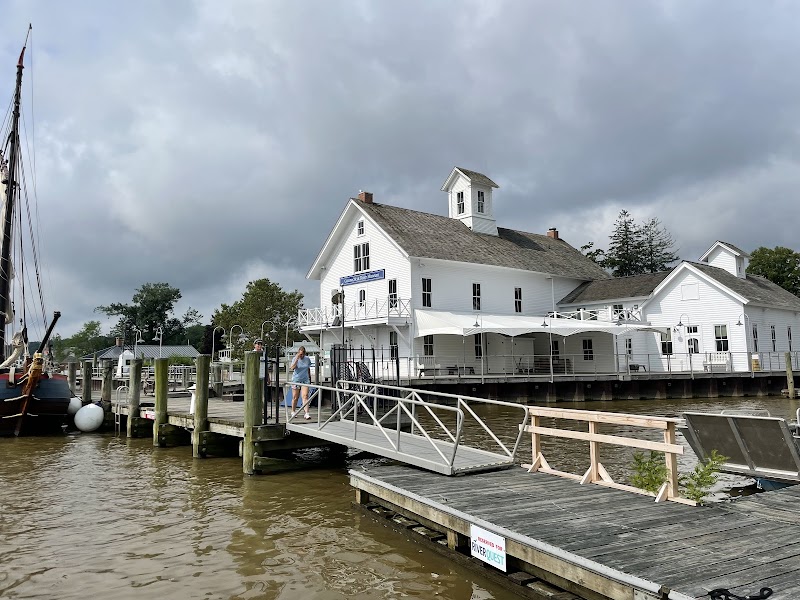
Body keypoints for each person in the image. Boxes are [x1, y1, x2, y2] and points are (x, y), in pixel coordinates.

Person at [290, 345, 312, 419]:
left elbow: (308, 368)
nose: (301, 356)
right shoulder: (295, 358)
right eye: (300, 354)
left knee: (305, 396)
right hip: (296, 379)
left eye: (302, 354)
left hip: (305, 379)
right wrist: (297, 358)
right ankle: (293, 411)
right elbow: (292, 368)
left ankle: (306, 413)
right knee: (295, 397)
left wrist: (309, 377)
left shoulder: (307, 359)